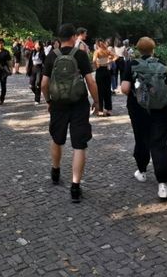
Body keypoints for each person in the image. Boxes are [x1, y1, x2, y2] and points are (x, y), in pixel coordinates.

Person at [41, 23, 100, 203]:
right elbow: (91, 82)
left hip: (58, 103)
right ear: (74, 36)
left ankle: (55, 171)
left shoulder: (52, 55)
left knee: (57, 139)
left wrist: (49, 101)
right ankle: (75, 187)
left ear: (59, 38)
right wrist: (96, 102)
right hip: (78, 103)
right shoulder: (80, 55)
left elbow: (44, 84)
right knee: (79, 145)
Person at [122, 37, 167, 200]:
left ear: (138, 49)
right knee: (159, 144)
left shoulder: (132, 64)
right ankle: (163, 185)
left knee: (141, 139)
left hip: (139, 109)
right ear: (153, 49)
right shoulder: (162, 64)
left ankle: (142, 171)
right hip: (161, 109)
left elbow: (124, 88)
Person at [92, 39, 115, 116]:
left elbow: (93, 60)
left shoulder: (97, 51)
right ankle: (109, 109)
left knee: (100, 91)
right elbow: (116, 56)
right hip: (106, 70)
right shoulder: (107, 51)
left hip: (100, 70)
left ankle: (101, 110)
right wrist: (109, 61)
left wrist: (96, 65)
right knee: (107, 90)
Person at [26, 40, 46, 105]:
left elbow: (45, 62)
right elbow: (29, 62)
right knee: (31, 85)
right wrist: (28, 70)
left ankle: (37, 99)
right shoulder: (32, 52)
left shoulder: (42, 53)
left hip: (39, 68)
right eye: (37, 45)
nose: (38, 46)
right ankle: (37, 94)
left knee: (37, 84)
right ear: (34, 45)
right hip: (33, 69)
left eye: (39, 45)